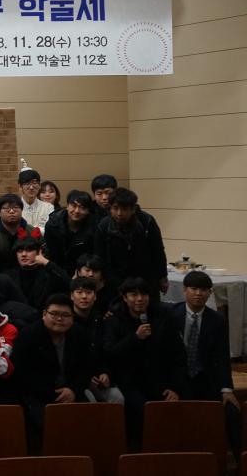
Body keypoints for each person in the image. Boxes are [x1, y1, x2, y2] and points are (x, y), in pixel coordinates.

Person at [103, 277, 186, 450]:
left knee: (171, 412)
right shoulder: (114, 320)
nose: (139, 299)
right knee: (140, 411)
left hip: (159, 380)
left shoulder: (163, 317)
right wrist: (135, 338)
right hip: (129, 382)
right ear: (125, 298)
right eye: (133, 295)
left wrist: (175, 388)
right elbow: (110, 354)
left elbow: (178, 355)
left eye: (144, 294)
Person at [171, 271, 242, 455]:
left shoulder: (217, 320)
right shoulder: (170, 314)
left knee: (233, 413)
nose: (198, 294)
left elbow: (222, 355)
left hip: (206, 379)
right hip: (178, 381)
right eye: (194, 289)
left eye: (203, 290)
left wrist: (226, 389)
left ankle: (240, 461)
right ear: (184, 290)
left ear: (210, 293)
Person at [11, 294, 92, 447]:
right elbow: (21, 374)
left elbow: (86, 368)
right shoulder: (28, 335)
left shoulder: (79, 334)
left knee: (87, 424)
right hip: (38, 395)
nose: (59, 319)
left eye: (65, 315)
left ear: (72, 318)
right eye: (54, 314)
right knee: (51, 428)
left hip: (72, 392)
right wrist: (53, 394)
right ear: (44, 314)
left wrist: (73, 390)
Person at [93, 186, 168, 296]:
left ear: (133, 209)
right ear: (110, 208)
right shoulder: (104, 225)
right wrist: (113, 282)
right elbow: (100, 256)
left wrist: (162, 277)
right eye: (115, 208)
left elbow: (158, 251)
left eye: (124, 209)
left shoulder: (147, 222)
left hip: (146, 279)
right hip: (115, 280)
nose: (119, 213)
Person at [69, 277, 123, 404]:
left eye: (89, 293)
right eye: (79, 292)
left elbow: (106, 351)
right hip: (75, 380)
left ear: (95, 296)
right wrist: (85, 378)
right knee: (91, 403)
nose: (84, 297)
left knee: (117, 398)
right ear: (71, 296)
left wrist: (105, 372)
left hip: (98, 377)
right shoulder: (67, 321)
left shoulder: (100, 320)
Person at [3, 233, 70, 312]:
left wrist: (46, 262)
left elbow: (69, 283)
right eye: (20, 251)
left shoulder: (48, 275)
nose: (23, 254)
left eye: (29, 250)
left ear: (38, 253)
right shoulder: (8, 275)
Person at [43, 189, 96, 271]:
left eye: (82, 208)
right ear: (67, 206)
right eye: (74, 206)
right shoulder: (53, 224)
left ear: (88, 211)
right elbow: (51, 253)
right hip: (56, 267)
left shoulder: (94, 225)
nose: (77, 211)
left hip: (83, 269)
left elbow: (92, 254)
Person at [0, 194, 36, 272]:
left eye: (15, 208)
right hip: (0, 275)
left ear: (21, 210)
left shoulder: (32, 232)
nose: (11, 211)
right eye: (7, 208)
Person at [17, 167, 54, 232]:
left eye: (34, 183)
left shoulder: (48, 207)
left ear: (39, 185)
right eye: (27, 183)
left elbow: (51, 230)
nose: (31, 187)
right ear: (20, 187)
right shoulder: (15, 208)